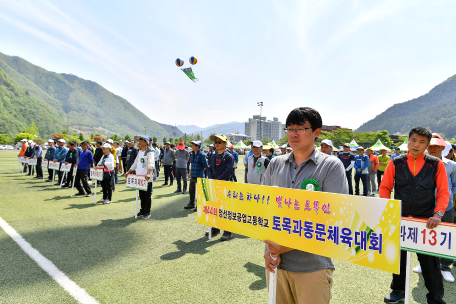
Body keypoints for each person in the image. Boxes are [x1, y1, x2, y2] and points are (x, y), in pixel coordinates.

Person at [263, 107, 348, 304]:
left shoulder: (331, 166)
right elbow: (265, 210)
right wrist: (269, 250)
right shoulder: (275, 163)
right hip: (275, 264)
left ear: (316, 132)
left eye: (300, 128)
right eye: (289, 128)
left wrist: (283, 247)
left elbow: (334, 218)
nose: (293, 134)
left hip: (312, 265)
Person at [381, 127, 448, 304]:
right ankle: (397, 291)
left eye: (422, 142)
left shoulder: (436, 164)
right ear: (408, 140)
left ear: (427, 145)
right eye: (413, 140)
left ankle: (435, 298)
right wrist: (387, 210)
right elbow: (385, 188)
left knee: (430, 264)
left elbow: (443, 192)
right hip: (399, 219)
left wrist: (438, 214)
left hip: (427, 222)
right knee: (398, 258)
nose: (416, 145)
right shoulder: (395, 162)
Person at [412, 136, 456, 283]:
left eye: (436, 146)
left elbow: (455, 185)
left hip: (446, 207)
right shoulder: (420, 163)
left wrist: (448, 196)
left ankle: (445, 266)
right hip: (425, 206)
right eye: (430, 146)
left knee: (447, 236)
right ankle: (424, 263)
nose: (432, 148)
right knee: (425, 235)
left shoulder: (451, 165)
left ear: (443, 148)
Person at [207, 134, 234, 241]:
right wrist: (211, 179)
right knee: (214, 207)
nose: (216, 144)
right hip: (214, 184)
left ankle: (228, 232)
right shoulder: (213, 155)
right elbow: (209, 168)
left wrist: (216, 180)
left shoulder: (229, 156)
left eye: (219, 142)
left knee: (225, 209)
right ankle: (215, 228)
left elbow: (227, 172)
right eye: (216, 142)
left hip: (224, 186)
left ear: (225, 144)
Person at [125, 136, 156, 219]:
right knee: (141, 195)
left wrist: (148, 173)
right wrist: (128, 171)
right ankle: (142, 210)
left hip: (146, 178)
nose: (139, 142)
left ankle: (147, 212)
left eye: (141, 141)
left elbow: (151, 163)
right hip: (139, 177)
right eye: (139, 141)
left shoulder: (150, 152)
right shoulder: (139, 151)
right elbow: (135, 163)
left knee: (147, 195)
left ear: (146, 142)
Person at [184, 140, 208, 211]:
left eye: (194, 145)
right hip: (193, 176)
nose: (192, 146)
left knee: (199, 192)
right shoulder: (192, 154)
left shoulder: (202, 155)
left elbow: (205, 166)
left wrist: (199, 171)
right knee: (191, 191)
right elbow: (192, 164)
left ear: (198, 147)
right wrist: (189, 173)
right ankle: (191, 204)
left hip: (199, 176)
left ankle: (199, 205)